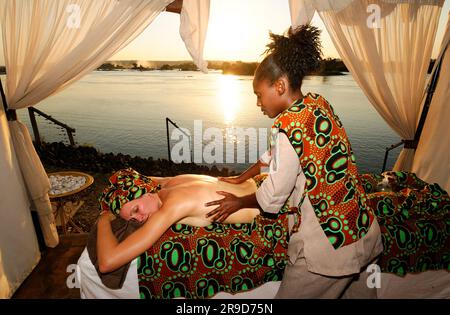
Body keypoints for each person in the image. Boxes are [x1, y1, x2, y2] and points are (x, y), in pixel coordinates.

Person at [205, 25, 383, 298]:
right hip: (361, 228)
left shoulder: (286, 126)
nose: (258, 103)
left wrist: (238, 202)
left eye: (259, 94)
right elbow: (277, 157)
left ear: (279, 86)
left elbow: (273, 194)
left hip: (329, 246)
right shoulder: (316, 105)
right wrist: (243, 177)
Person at [96, 172, 262, 274]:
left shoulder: (173, 205)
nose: (140, 219)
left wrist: (103, 217)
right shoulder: (173, 181)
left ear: (146, 193)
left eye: (136, 210)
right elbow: (145, 179)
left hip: (272, 212)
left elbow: (107, 263)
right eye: (133, 219)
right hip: (263, 183)